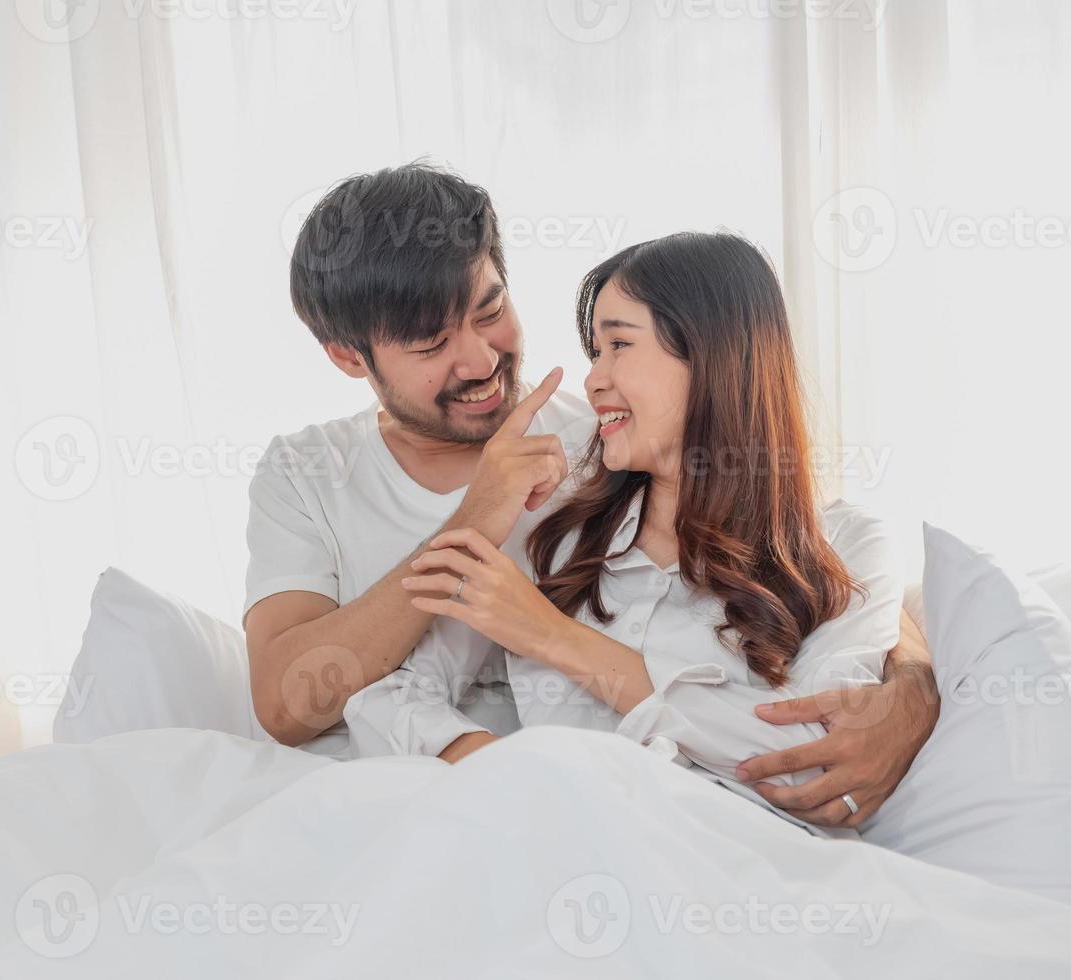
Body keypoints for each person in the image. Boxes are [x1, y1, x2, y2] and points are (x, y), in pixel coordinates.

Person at [244, 162, 938, 829]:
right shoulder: (310, 472)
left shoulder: (604, 454)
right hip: (500, 815)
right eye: (431, 344)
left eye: (491, 311)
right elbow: (293, 701)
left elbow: (804, 549)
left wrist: (912, 686)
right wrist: (480, 518)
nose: (483, 361)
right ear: (348, 356)